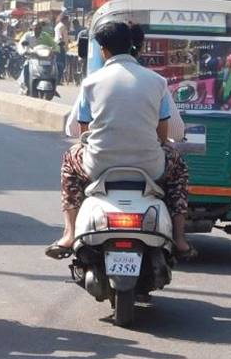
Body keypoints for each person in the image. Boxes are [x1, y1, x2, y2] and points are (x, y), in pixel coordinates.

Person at [46, 21, 194, 261]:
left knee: (68, 160)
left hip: (97, 166)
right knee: (179, 170)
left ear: (104, 50)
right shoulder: (157, 82)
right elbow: (162, 132)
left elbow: (83, 133)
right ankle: (179, 238)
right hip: (151, 166)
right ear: (132, 45)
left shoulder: (91, 83)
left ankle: (70, 233)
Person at [53, 11, 70, 81]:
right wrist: (64, 44)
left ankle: (57, 78)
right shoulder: (62, 26)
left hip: (56, 45)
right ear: (64, 20)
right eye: (67, 20)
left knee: (58, 62)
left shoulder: (58, 25)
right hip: (60, 46)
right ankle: (58, 79)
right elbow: (60, 37)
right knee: (61, 64)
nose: (68, 22)